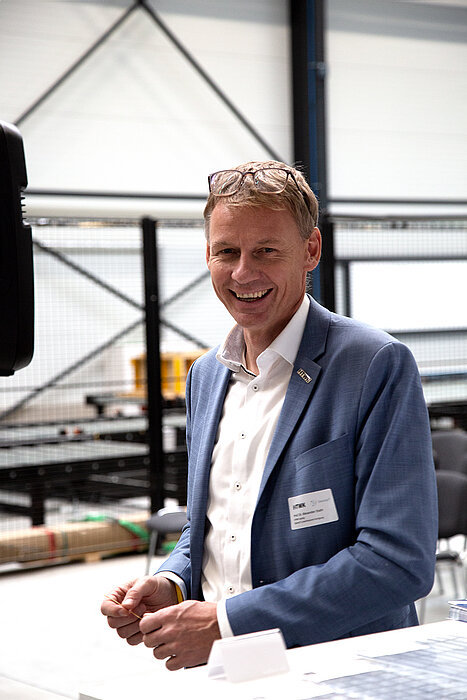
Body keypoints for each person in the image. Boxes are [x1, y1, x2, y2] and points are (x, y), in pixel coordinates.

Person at [101, 160, 438, 671]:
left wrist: (227, 623)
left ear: (311, 250)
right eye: (226, 252)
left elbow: (396, 562)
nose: (243, 273)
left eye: (266, 251)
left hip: (340, 671)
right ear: (208, 255)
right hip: (230, 671)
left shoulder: (372, 365)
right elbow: (215, 525)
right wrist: (173, 582)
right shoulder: (206, 376)